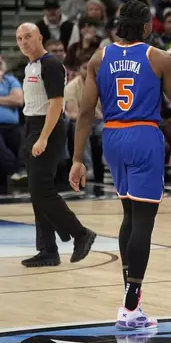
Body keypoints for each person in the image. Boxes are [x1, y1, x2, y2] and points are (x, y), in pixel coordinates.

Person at [69, 0, 171, 330]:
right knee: (144, 220)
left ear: (119, 26)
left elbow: (84, 113)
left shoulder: (100, 56)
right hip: (144, 136)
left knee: (128, 215)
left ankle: (131, 302)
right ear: (148, 27)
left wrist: (78, 159)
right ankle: (130, 302)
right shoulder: (158, 57)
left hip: (112, 137)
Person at [16, 23, 96, 268]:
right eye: (19, 39)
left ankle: (81, 233)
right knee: (36, 192)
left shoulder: (50, 65)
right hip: (31, 126)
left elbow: (55, 104)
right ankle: (47, 249)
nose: (23, 42)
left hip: (46, 128)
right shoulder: (30, 65)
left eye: (28, 36)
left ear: (40, 37)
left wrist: (42, 138)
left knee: (42, 190)